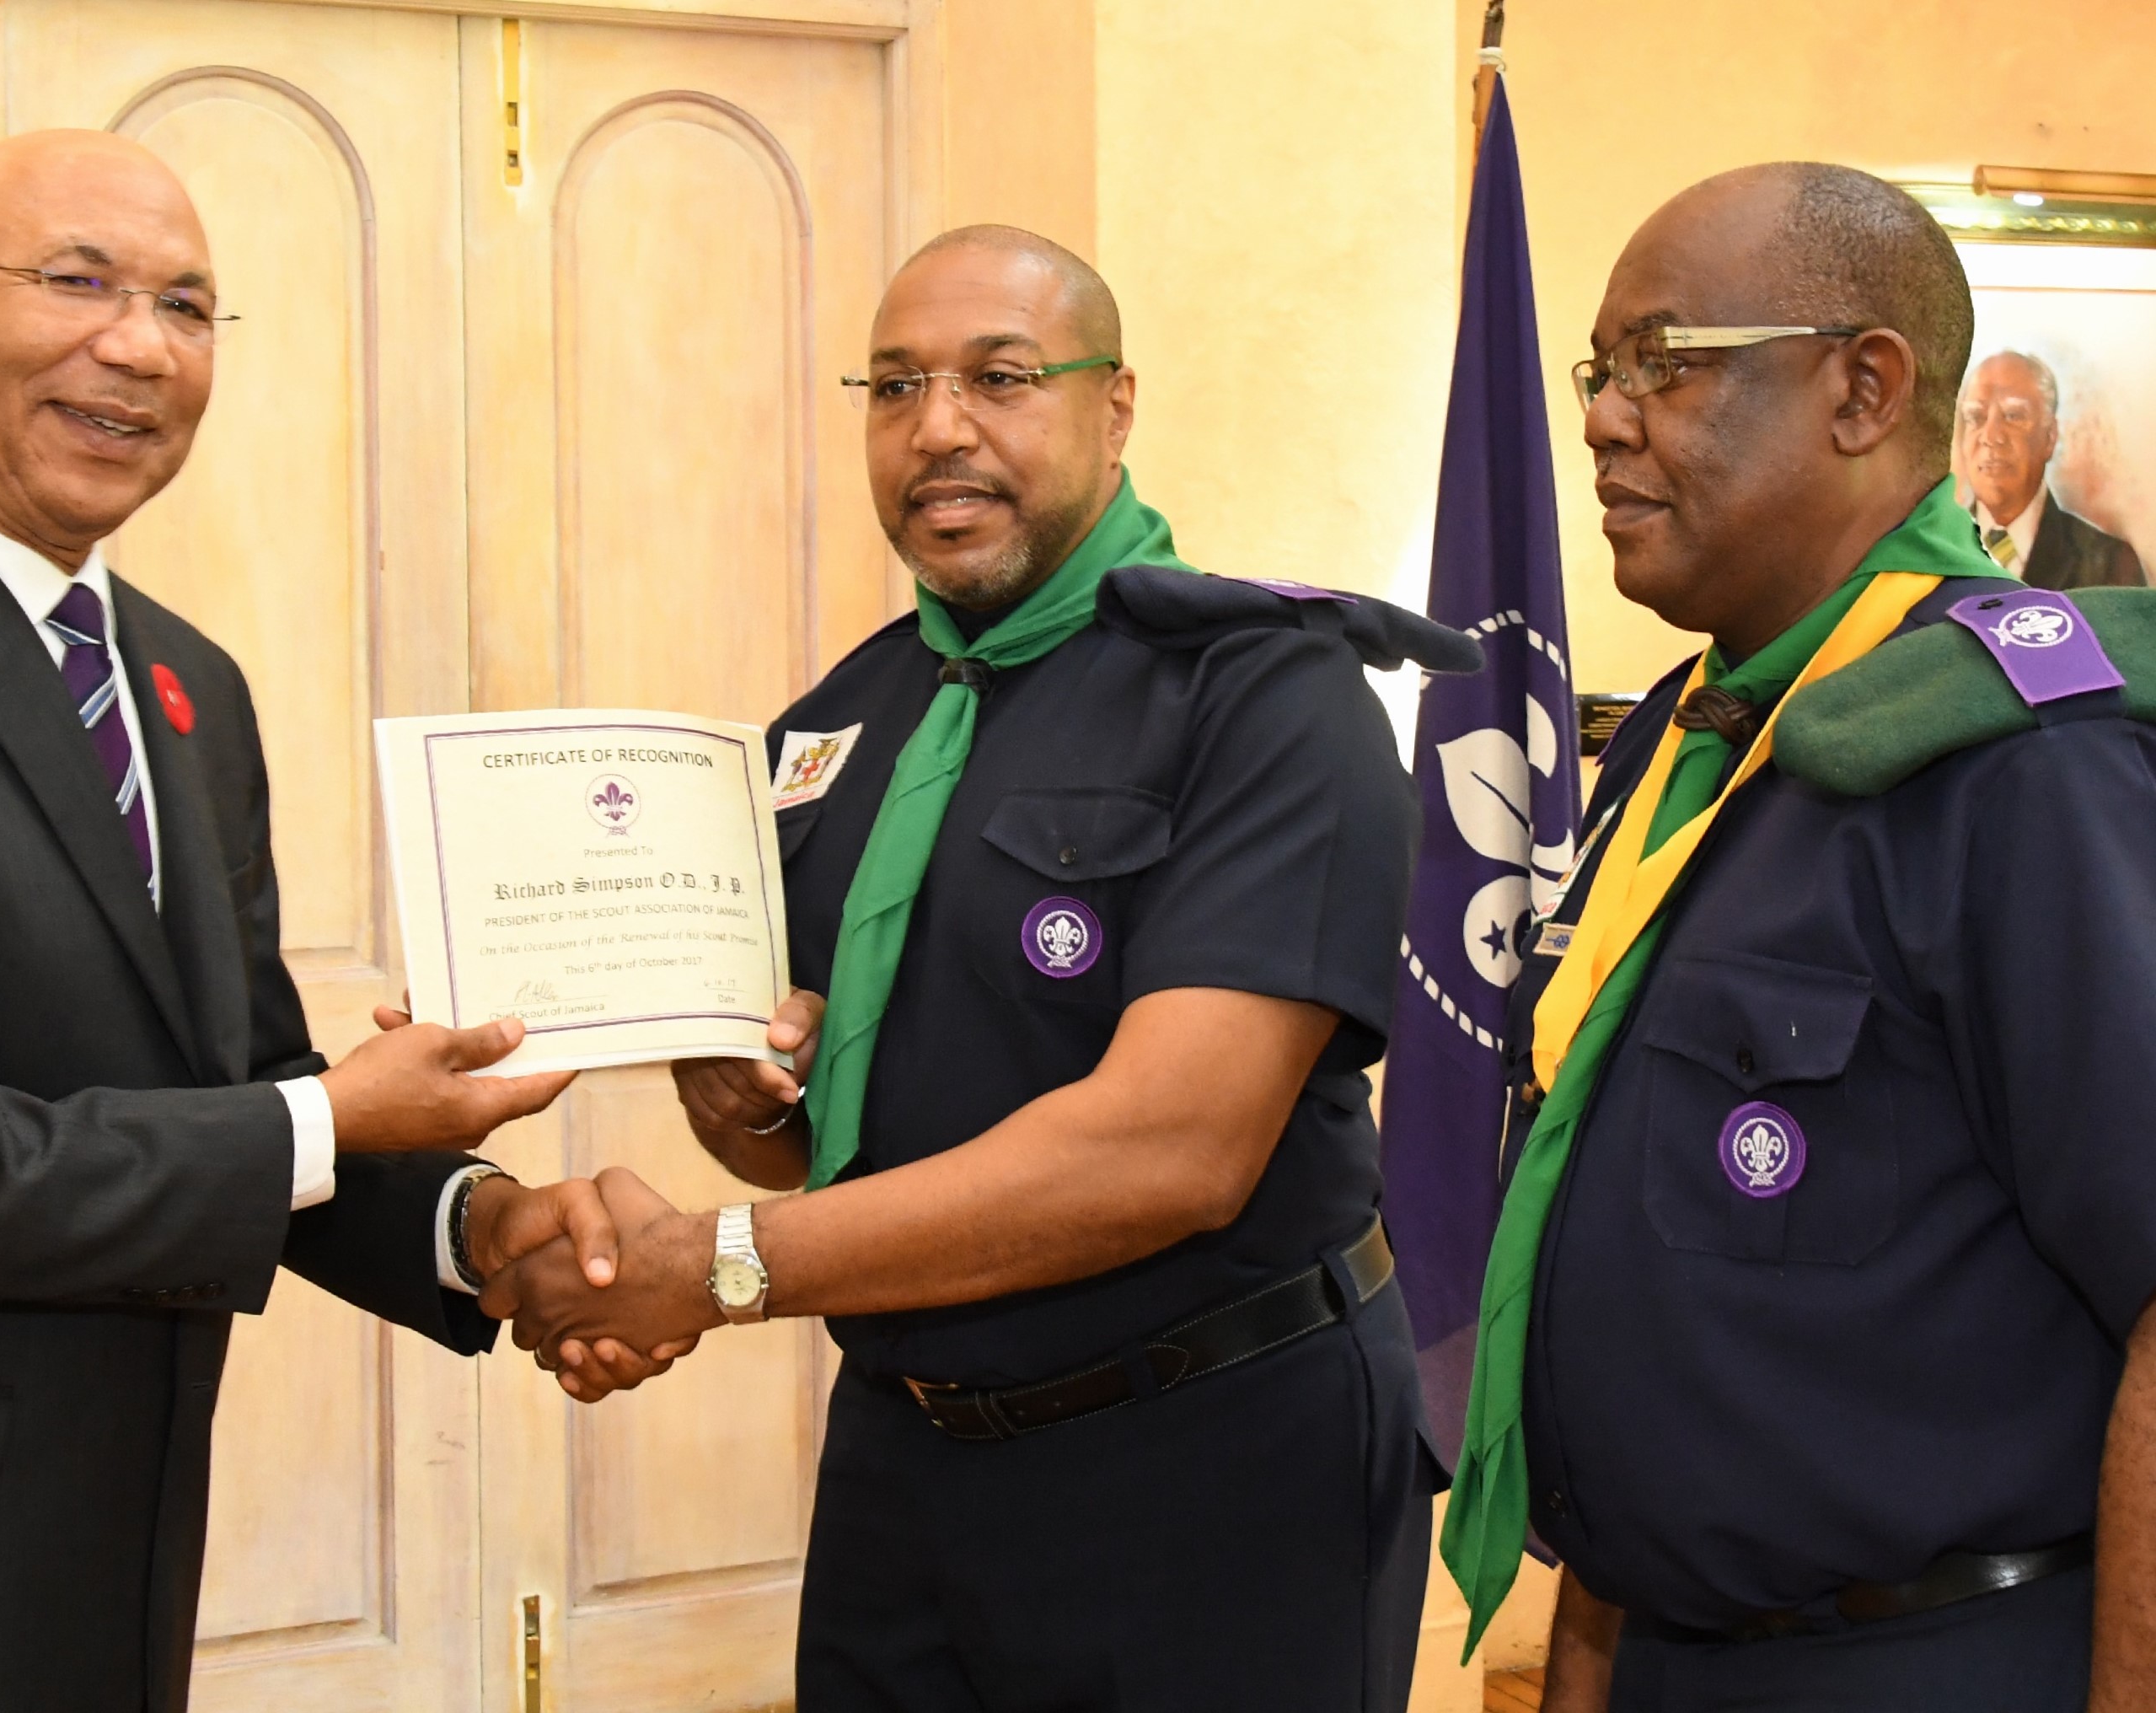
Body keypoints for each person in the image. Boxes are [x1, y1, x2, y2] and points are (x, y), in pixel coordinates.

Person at [0, 131, 661, 1713]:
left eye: (187, 304)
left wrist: (476, 1228)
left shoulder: (186, 686)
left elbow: (235, 1086)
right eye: (77, 282)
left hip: (104, 1575)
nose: (139, 346)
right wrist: (315, 1118)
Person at [484, 225, 1473, 1712]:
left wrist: (713, 1266)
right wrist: (735, 1085)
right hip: (908, 1449)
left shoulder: (1268, 698)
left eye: (997, 377)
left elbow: (1171, 1149)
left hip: (1208, 1456)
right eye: (892, 387)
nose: (935, 427)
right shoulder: (833, 728)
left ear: (1114, 405)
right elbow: (805, 1130)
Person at [1440, 163, 2156, 1712]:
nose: (1600, 419)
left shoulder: (2023, 766)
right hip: (1671, 1652)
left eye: (1664, 362)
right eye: (1597, 369)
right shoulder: (1679, 744)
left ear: (1860, 388)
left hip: (1931, 1660)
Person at [1959, 349, 2146, 588]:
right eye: (1976, 417)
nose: (1991, 436)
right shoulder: (1932, 553)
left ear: (2049, 437)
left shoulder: (2108, 564)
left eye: (2013, 415)